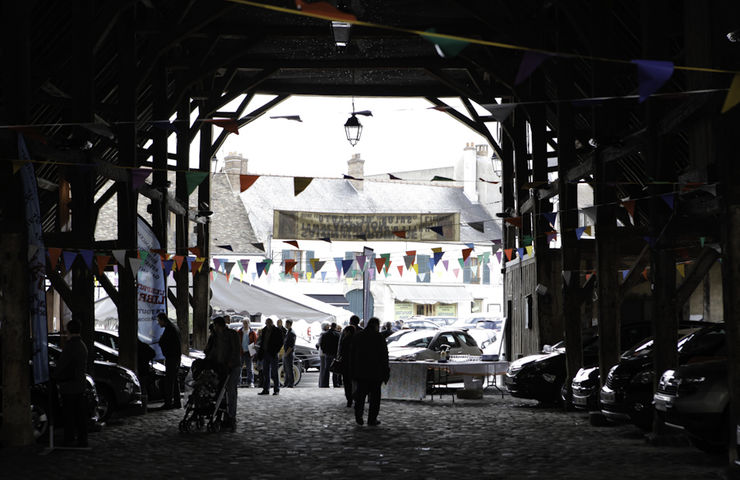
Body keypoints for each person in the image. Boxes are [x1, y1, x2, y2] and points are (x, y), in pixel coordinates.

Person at [53, 319, 89, 447]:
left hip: (70, 385)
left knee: (70, 413)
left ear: (69, 330)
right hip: (79, 383)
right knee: (80, 413)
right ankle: (82, 438)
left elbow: (63, 365)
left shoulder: (71, 346)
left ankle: (70, 438)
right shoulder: (82, 345)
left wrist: (55, 375)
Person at [350, 317, 389, 426]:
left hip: (361, 371)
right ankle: (372, 419)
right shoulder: (378, 337)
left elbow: (352, 354)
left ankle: (358, 416)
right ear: (376, 325)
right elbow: (384, 356)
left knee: (360, 396)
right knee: (375, 398)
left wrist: (352, 370)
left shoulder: (358, 336)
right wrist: (386, 372)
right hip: (375, 372)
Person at [204, 316, 241, 431]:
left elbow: (235, 350)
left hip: (232, 367)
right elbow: (214, 351)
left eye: (215, 326)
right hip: (221, 367)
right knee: (221, 392)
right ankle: (222, 415)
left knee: (231, 391)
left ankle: (231, 417)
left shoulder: (231, 334)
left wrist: (230, 362)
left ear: (218, 325)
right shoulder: (216, 336)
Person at [156, 312, 182, 409]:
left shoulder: (169, 329)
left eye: (159, 321)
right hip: (176, 357)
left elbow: (164, 342)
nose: (159, 323)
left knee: (170, 381)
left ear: (163, 320)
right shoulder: (174, 327)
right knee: (174, 380)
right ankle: (177, 402)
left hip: (172, 357)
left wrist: (160, 342)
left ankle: (168, 403)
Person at [337, 315, 361, 407]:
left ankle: (349, 399)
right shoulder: (361, 331)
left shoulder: (345, 331)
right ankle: (356, 397)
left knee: (347, 381)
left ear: (350, 321)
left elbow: (340, 345)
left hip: (346, 362)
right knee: (357, 381)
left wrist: (339, 356)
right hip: (357, 361)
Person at [257, 317, 284, 395]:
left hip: (273, 354)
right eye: (266, 323)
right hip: (265, 353)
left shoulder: (277, 331)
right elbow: (262, 342)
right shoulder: (264, 330)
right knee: (265, 372)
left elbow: (281, 342)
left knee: (274, 372)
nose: (267, 324)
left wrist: (276, 351)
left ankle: (276, 389)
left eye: (269, 323)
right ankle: (266, 389)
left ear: (272, 323)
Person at [318, 322, 339, 388]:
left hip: (327, 354)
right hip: (335, 354)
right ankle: (335, 383)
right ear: (335, 327)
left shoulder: (325, 334)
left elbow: (321, 344)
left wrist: (325, 351)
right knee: (335, 369)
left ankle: (325, 384)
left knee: (327, 369)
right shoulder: (338, 334)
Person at [238, 318, 257, 387]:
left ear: (249, 324)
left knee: (250, 368)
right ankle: (238, 382)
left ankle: (250, 382)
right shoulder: (239, 331)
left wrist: (253, 353)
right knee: (239, 368)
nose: (245, 324)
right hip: (241, 352)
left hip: (249, 352)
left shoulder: (252, 332)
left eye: (246, 323)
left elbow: (255, 343)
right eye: (244, 323)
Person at [282, 319, 297, 388]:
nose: (286, 325)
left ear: (290, 324)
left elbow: (291, 346)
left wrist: (286, 353)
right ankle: (286, 383)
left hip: (289, 353)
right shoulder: (288, 332)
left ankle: (291, 383)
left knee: (289, 369)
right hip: (286, 353)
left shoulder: (292, 333)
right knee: (286, 369)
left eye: (287, 324)